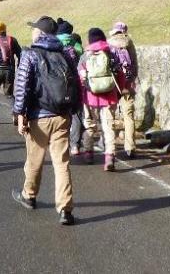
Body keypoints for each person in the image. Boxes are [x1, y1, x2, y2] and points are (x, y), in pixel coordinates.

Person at [11, 15, 78, 226]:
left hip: (38, 117)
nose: (32, 32)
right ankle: (65, 210)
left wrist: (19, 114)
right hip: (62, 116)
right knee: (62, 164)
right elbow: (77, 84)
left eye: (34, 29)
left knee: (34, 160)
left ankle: (29, 196)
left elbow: (22, 87)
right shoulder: (66, 54)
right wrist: (74, 110)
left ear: (40, 33)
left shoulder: (30, 54)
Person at [78, 28, 120, 171]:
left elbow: (80, 78)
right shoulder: (111, 52)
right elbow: (118, 74)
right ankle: (109, 157)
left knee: (90, 125)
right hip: (109, 95)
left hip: (90, 96)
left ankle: (88, 152)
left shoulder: (85, 55)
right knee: (109, 127)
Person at [107, 21, 139, 159]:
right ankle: (130, 147)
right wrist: (131, 81)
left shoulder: (109, 44)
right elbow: (135, 65)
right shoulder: (129, 43)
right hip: (127, 85)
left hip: (113, 84)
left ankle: (111, 149)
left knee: (110, 115)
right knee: (129, 115)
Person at [56, 19, 85, 157]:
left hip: (57, 84)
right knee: (77, 113)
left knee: (58, 112)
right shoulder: (77, 45)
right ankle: (75, 146)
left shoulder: (53, 44)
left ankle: (60, 143)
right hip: (75, 83)